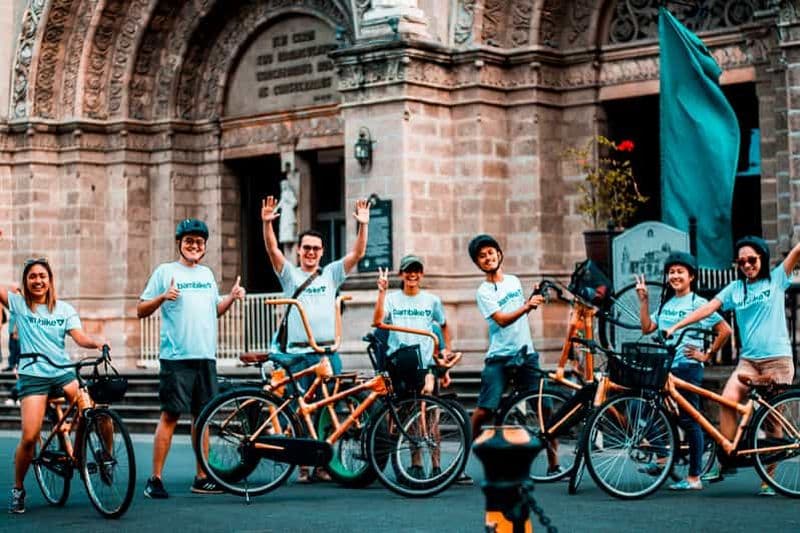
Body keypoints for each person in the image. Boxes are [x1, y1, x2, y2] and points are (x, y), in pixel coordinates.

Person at [665, 236, 799, 496]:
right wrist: (675, 326)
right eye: (742, 261)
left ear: (762, 258)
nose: (747, 265)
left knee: (772, 421)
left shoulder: (776, 279)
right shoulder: (735, 289)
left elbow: (797, 250)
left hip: (778, 360)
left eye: (752, 260)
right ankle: (728, 457)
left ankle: (768, 480)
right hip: (748, 360)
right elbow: (707, 309)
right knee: (727, 400)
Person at [261, 196, 369, 482]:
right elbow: (272, 250)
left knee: (327, 411)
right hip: (298, 354)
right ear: (298, 251)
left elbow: (357, 254)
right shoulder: (290, 276)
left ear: (322, 252)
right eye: (306, 248)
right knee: (299, 411)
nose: (311, 252)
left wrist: (363, 225)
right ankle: (303, 466)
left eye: (315, 249)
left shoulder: (330, 274)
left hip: (327, 354)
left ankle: (323, 465)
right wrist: (267, 223)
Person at [138, 219, 245, 499]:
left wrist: (231, 297)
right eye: (189, 241)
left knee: (203, 418)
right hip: (177, 357)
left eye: (199, 242)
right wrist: (163, 296)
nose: (194, 246)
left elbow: (214, 311)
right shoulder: (166, 271)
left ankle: (202, 477)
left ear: (204, 246)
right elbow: (140, 309)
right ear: (180, 244)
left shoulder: (208, 274)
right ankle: (155, 479)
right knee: (171, 415)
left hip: (205, 357)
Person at [1, 254, 107, 514]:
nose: (38, 281)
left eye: (42, 276)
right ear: (26, 282)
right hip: (33, 376)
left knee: (97, 413)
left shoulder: (64, 309)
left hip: (63, 372)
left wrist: (98, 344)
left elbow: (80, 337)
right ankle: (18, 488)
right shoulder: (19, 304)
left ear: (50, 280)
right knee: (29, 437)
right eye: (32, 276)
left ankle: (98, 458)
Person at [635, 252, 731, 490]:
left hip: (688, 368)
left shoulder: (697, 303)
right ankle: (664, 457)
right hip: (666, 368)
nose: (675, 276)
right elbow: (647, 328)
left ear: (691, 277)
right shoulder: (667, 303)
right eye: (672, 272)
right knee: (642, 407)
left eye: (680, 272)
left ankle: (694, 477)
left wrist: (706, 355)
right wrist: (644, 301)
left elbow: (725, 330)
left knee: (690, 420)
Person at [466, 235, 558, 466]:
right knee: (486, 410)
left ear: (499, 253)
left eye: (491, 252)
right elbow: (502, 320)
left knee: (544, 407)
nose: (488, 258)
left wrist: (532, 298)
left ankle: (554, 463)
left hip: (526, 353)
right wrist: (527, 306)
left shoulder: (514, 281)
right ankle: (467, 454)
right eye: (482, 256)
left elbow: (518, 311)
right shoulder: (484, 291)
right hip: (499, 358)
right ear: (478, 263)